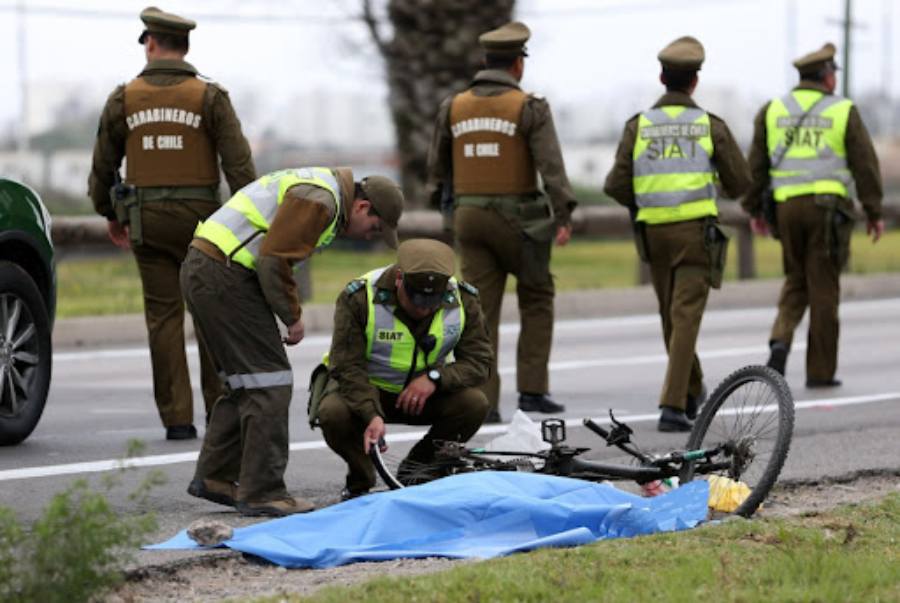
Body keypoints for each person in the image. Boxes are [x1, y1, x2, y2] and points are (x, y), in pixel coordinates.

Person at [181, 167, 403, 516]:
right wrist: (291, 314)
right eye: (374, 228)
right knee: (270, 382)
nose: (369, 236)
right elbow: (275, 259)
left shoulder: (319, 190)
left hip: (210, 268)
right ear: (362, 207)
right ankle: (263, 491)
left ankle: (216, 476)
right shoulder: (321, 201)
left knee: (245, 383)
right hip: (224, 273)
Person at [87, 7, 256, 441]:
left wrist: (109, 212)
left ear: (151, 43)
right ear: (185, 46)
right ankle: (220, 411)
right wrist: (252, 223)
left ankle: (177, 419)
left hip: (148, 223)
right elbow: (239, 167)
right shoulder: (210, 97)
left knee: (163, 318)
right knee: (209, 314)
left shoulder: (124, 98)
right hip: (207, 225)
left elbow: (103, 166)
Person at [426, 21, 577, 424]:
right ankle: (532, 390)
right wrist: (563, 214)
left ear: (483, 61)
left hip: (468, 219)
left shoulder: (454, 106)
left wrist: (447, 213)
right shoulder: (528, 107)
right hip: (519, 222)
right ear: (518, 65)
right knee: (537, 296)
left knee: (478, 308)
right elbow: (551, 167)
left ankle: (482, 399)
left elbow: (436, 169)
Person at [603, 36, 751, 432]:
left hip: (654, 235)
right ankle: (672, 406)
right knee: (684, 317)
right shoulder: (708, 125)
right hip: (694, 234)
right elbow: (740, 183)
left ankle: (692, 388)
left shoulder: (639, 125)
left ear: (661, 77)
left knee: (671, 317)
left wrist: (645, 200)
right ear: (694, 82)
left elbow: (615, 184)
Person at [742, 43, 883, 388]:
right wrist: (874, 211)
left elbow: (756, 167)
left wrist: (755, 209)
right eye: (833, 73)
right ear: (827, 77)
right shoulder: (842, 110)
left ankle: (780, 339)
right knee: (823, 288)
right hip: (827, 210)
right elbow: (864, 165)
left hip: (786, 208)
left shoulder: (772, 110)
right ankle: (820, 372)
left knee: (796, 278)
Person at [317, 239, 492, 500]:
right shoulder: (360, 297)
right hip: (367, 390)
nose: (423, 308)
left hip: (421, 396)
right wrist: (370, 413)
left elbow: (479, 362)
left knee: (474, 404)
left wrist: (435, 378)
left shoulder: (463, 299)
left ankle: (418, 470)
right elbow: (346, 366)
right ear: (399, 279)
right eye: (416, 298)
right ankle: (361, 477)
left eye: (431, 301)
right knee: (333, 412)